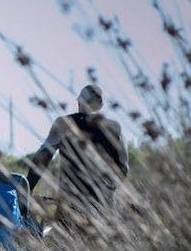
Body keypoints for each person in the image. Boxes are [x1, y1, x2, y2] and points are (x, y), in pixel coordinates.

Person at [25, 84, 129, 224]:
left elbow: (43, 157)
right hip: (103, 204)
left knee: (66, 242)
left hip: (70, 201)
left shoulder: (64, 123)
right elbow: (123, 167)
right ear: (101, 105)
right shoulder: (115, 127)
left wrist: (27, 187)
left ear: (80, 102)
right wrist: (108, 190)